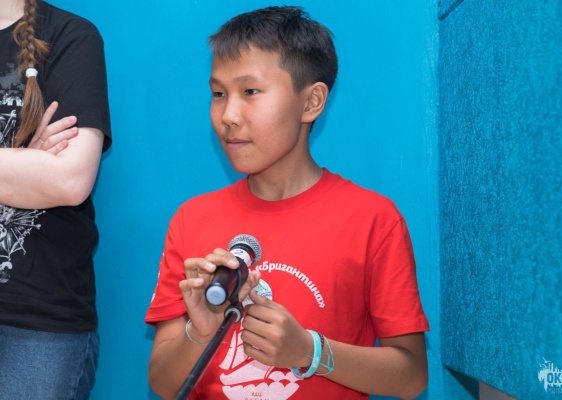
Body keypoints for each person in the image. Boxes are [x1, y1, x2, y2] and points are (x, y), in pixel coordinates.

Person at [145, 5, 428, 400]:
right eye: (218, 94)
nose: (228, 115)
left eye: (250, 92)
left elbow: (411, 376)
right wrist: (200, 331)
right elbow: (162, 382)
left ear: (311, 102)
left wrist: (311, 352)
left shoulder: (373, 220)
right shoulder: (191, 220)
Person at [0, 0, 111, 399]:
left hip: (34, 324)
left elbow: (69, 180)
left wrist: (41, 171)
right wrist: (24, 160)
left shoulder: (70, 36)